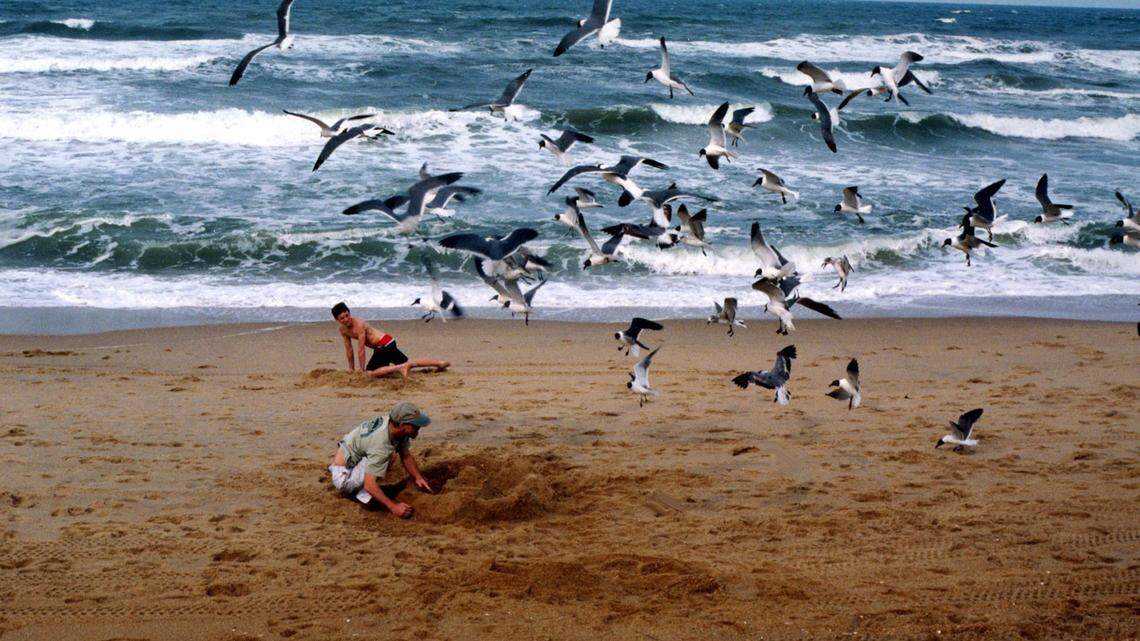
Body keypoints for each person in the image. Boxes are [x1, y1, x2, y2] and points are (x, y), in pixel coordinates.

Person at [328, 401, 434, 518]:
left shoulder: (393, 426)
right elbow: (369, 484)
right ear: (402, 425)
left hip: (355, 460)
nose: (418, 428)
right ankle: (360, 494)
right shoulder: (382, 444)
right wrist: (394, 507)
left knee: (389, 455)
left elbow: (405, 455)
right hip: (344, 477)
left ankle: (362, 488)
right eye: (415, 425)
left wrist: (418, 477)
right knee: (387, 455)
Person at [331, 302, 449, 380]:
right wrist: (351, 369)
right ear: (337, 320)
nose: (346, 319)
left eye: (347, 315)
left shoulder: (359, 324)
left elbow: (361, 349)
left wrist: (361, 370)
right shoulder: (343, 330)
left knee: (371, 373)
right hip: (387, 344)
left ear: (349, 313)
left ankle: (400, 368)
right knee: (409, 363)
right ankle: (440, 363)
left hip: (384, 345)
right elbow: (349, 350)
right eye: (342, 318)